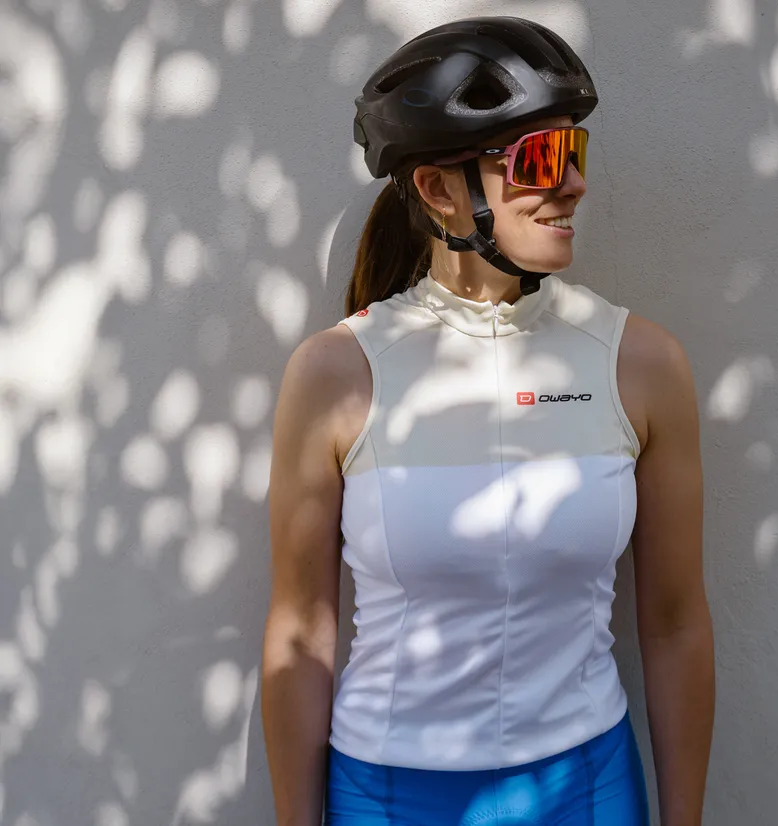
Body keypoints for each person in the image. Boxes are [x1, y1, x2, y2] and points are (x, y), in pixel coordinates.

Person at [261, 16, 715, 826]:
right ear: (440, 190)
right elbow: (301, 629)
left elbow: (676, 624)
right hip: (391, 798)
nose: (572, 185)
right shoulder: (335, 374)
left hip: (586, 790)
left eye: (575, 153)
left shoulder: (642, 364)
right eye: (541, 158)